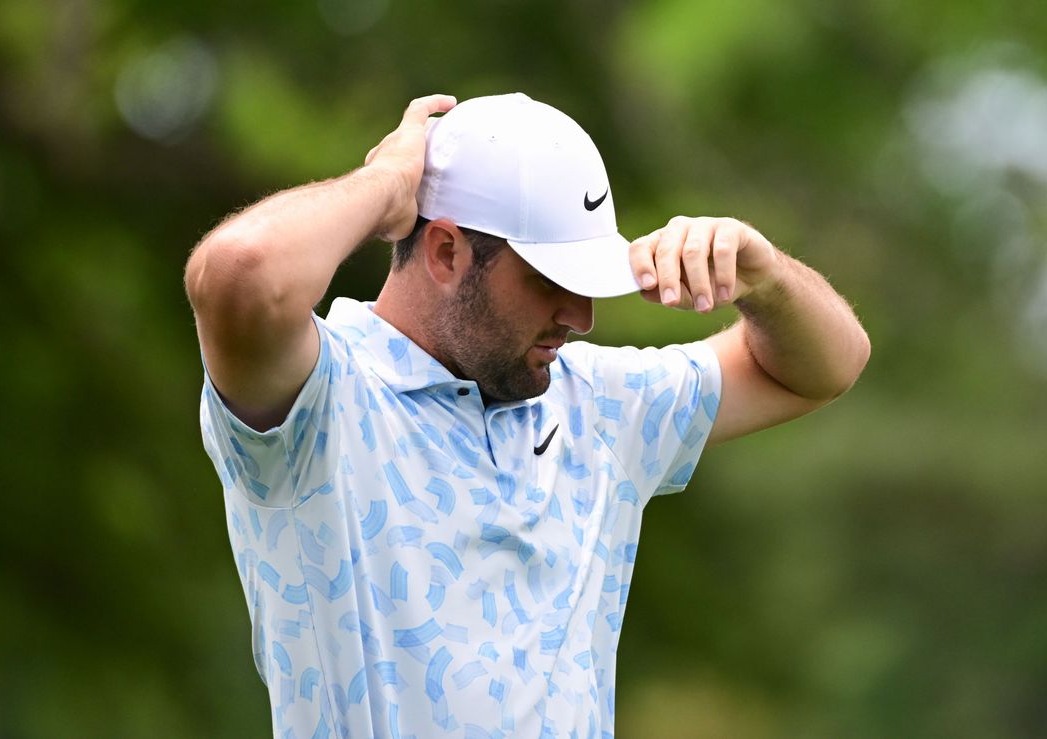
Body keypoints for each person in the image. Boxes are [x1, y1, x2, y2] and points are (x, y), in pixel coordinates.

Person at [186, 92, 870, 737]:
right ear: (446, 252)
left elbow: (826, 364)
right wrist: (392, 185)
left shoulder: (596, 404)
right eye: (551, 281)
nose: (582, 317)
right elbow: (240, 272)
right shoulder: (319, 402)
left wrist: (766, 277)